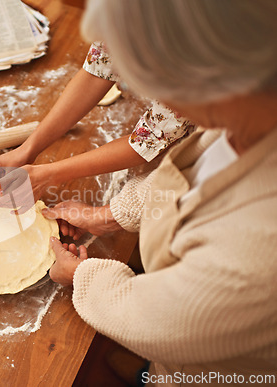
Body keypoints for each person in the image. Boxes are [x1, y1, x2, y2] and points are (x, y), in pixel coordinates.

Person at [43, 0, 277, 385]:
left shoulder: (252, 252)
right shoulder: (248, 109)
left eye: (159, 88)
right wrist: (107, 216)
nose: (161, 106)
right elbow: (191, 177)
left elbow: (151, 320)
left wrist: (81, 275)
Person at [0, 40, 195, 205]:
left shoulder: (194, 48)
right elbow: (99, 69)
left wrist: (48, 174)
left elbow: (148, 139)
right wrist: (26, 150)